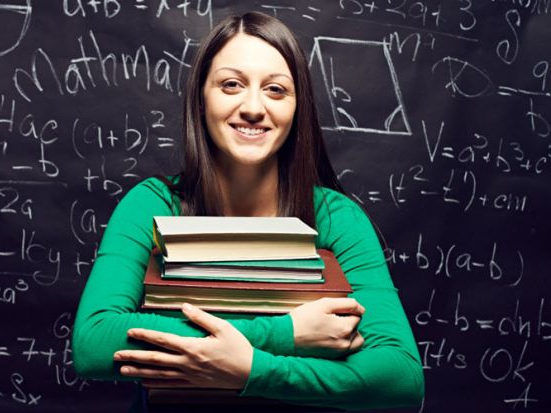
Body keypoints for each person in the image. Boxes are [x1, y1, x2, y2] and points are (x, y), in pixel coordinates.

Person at [72, 11, 424, 411]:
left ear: (297, 107)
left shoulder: (334, 218)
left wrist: (253, 370)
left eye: (275, 89)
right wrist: (283, 334)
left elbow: (400, 377)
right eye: (231, 85)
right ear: (201, 98)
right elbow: (95, 342)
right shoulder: (152, 204)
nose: (253, 107)